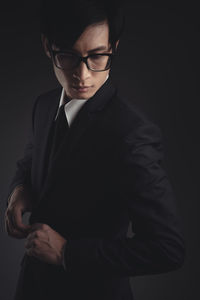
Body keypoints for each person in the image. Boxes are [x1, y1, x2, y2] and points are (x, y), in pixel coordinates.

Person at [4, 1, 185, 299]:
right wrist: (19, 188)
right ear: (47, 46)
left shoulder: (132, 133)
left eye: (98, 56)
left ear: (113, 46)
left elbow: (168, 248)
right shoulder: (44, 105)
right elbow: (31, 160)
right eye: (68, 56)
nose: (83, 75)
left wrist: (67, 253)